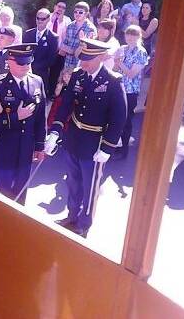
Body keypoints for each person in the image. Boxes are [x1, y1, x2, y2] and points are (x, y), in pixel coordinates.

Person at [45, 38, 127, 238]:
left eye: (88, 59)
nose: (83, 63)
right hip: (74, 137)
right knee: (73, 181)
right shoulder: (78, 76)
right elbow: (65, 105)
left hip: (95, 142)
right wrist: (55, 131)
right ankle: (71, 216)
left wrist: (107, 148)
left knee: (90, 186)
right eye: (82, 58)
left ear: (100, 57)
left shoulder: (113, 81)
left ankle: (84, 223)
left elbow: (119, 117)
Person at [0, 43, 46, 202]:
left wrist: (39, 146)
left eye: (28, 62)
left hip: (26, 148)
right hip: (4, 148)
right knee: (3, 194)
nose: (26, 66)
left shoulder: (37, 82)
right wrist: (16, 117)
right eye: (21, 63)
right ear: (9, 62)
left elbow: (40, 118)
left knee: (21, 191)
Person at [113, 25, 148, 159]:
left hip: (130, 91)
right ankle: (114, 145)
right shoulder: (122, 49)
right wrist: (116, 64)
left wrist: (119, 63)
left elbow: (132, 74)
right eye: (128, 34)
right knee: (115, 118)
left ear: (139, 37)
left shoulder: (141, 52)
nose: (130, 37)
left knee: (126, 120)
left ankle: (124, 149)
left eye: (133, 35)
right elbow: (115, 70)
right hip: (118, 88)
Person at [23, 8, 59, 99]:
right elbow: (24, 52)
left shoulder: (53, 37)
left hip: (41, 75)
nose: (39, 21)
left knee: (39, 101)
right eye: (37, 18)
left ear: (48, 19)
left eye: (42, 19)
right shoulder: (28, 34)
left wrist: (34, 66)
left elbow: (51, 60)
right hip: (26, 73)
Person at [60, 1, 97, 70]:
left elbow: (90, 52)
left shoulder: (91, 29)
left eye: (80, 12)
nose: (77, 14)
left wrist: (73, 51)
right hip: (67, 64)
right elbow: (64, 45)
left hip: (80, 66)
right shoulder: (70, 26)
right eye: (75, 12)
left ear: (86, 14)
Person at [47, 0, 71, 97]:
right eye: (59, 6)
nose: (60, 9)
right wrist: (52, 20)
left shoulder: (67, 20)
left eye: (63, 8)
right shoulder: (47, 17)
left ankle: (51, 94)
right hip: (47, 51)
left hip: (59, 52)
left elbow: (67, 38)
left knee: (55, 74)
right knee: (45, 72)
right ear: (55, 7)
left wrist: (60, 21)